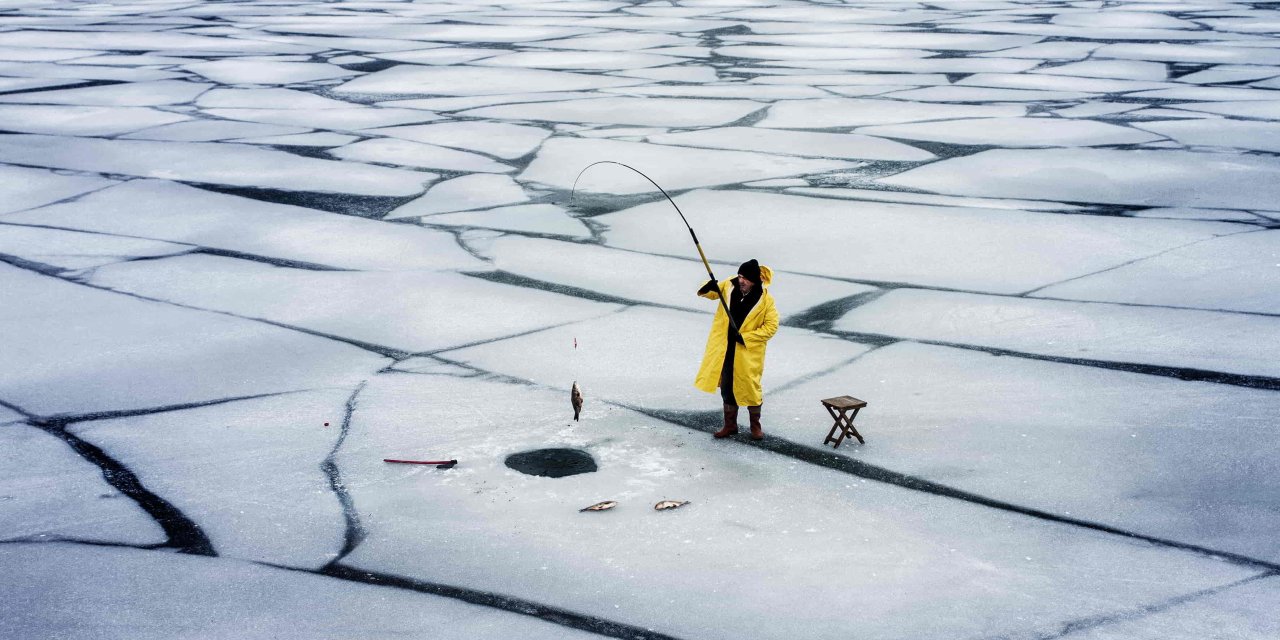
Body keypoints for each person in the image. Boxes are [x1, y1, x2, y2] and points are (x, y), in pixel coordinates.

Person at [694, 259, 778, 440]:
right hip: (725, 348)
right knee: (727, 387)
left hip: (748, 353)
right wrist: (710, 287)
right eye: (740, 276)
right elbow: (710, 294)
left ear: (754, 280)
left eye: (745, 278)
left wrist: (746, 337)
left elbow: (771, 327)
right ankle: (730, 425)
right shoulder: (730, 286)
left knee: (751, 388)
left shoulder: (765, 300)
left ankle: (755, 427)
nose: (741, 281)